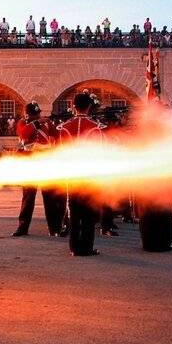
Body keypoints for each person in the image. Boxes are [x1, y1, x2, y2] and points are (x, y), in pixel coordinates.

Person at [57, 92, 104, 256]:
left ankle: (74, 246)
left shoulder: (65, 127)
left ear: (73, 106)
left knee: (75, 211)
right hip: (89, 175)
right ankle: (86, 247)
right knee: (88, 214)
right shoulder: (94, 127)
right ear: (89, 106)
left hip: (72, 174)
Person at [13, 102, 63, 237]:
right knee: (28, 198)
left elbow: (57, 135)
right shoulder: (23, 123)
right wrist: (38, 122)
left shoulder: (46, 124)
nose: (38, 116)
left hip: (45, 162)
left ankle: (54, 228)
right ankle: (22, 227)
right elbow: (24, 134)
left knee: (50, 198)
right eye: (35, 114)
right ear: (28, 114)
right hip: (29, 163)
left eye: (38, 114)